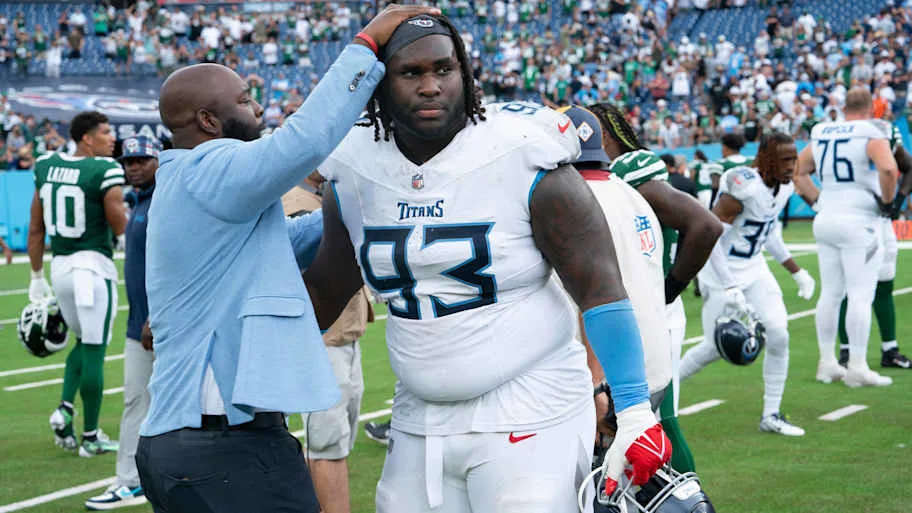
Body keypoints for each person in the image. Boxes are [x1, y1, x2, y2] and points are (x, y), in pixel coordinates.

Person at [313, 15, 671, 512]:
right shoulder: (355, 168)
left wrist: (634, 411)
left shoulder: (523, 150)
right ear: (380, 82)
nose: (431, 86)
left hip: (531, 403)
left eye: (445, 68)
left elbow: (600, 289)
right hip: (418, 411)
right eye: (411, 73)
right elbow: (326, 289)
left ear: (466, 73)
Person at [134, 5, 439, 513]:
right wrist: (365, 47)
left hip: (184, 443)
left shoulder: (192, 184)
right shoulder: (212, 165)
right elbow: (304, 141)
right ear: (209, 121)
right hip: (224, 444)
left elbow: (298, 234)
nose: (260, 111)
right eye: (248, 101)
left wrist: (381, 200)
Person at [586, 102, 722, 474]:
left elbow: (706, 226)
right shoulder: (610, 175)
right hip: (631, 308)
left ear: (609, 136)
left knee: (652, 420)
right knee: (647, 421)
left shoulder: (632, 173)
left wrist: (670, 288)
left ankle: (687, 495)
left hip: (645, 310)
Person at [680, 132, 816, 436]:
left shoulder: (782, 189)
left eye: (794, 159)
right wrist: (729, 286)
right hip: (721, 273)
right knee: (715, 347)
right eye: (785, 159)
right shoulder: (743, 188)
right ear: (765, 159)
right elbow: (709, 237)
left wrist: (796, 270)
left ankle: (771, 414)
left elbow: (768, 231)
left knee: (779, 334)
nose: (792, 166)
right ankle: (659, 400)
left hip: (754, 270)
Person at [27, 110, 126, 457]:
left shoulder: (47, 165)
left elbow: (36, 228)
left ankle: (65, 410)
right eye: (104, 132)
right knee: (96, 350)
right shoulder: (105, 169)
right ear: (87, 138)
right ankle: (91, 436)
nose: (111, 137)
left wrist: (36, 276)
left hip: (61, 268)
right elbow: (120, 227)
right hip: (93, 269)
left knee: (82, 343)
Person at [281, 174, 375, 513]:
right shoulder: (296, 201)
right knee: (325, 447)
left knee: (337, 444)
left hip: (343, 335)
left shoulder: (324, 194)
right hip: (321, 341)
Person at [794, 88, 898, 387]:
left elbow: (799, 170)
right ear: (869, 107)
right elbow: (889, 169)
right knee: (860, 294)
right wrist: (888, 204)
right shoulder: (871, 130)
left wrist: (818, 201)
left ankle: (827, 363)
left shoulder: (822, 130)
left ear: (844, 107)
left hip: (827, 217)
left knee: (831, 293)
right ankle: (857, 366)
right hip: (860, 219)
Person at [84, 136, 159, 510]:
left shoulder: (166, 202)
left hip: (164, 324)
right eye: (128, 161)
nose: (132, 167)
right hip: (139, 326)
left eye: (141, 160)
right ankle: (130, 481)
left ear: (159, 160)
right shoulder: (140, 199)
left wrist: (158, 315)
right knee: (136, 401)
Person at [834, 118, 912, 369]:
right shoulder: (846, 130)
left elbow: (908, 166)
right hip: (858, 218)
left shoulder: (881, 129)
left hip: (870, 219)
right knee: (850, 287)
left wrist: (897, 201)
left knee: (880, 284)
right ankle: (848, 352)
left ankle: (886, 349)